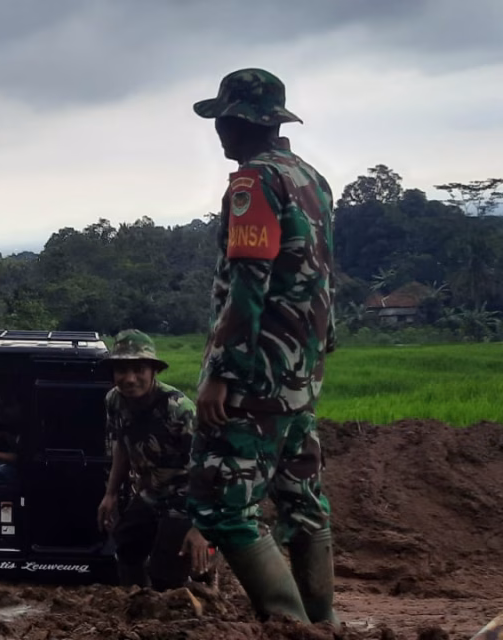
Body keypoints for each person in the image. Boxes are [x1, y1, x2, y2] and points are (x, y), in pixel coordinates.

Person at [186, 68, 340, 625]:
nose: (219, 134)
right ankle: (326, 623)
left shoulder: (252, 183)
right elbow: (321, 274)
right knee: (302, 502)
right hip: (301, 370)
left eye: (223, 121)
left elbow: (251, 281)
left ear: (242, 121)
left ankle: (294, 629)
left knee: (224, 510)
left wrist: (223, 371)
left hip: (258, 372)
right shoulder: (310, 178)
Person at [97, 329, 211, 591]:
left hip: (187, 497)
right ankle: (139, 605)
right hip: (151, 492)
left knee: (166, 574)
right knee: (125, 547)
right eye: (121, 370)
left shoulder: (178, 409)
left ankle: (184, 603)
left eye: (138, 370)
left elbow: (208, 468)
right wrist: (110, 493)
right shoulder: (114, 401)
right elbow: (122, 447)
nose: (129, 379)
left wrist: (202, 527)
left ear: (153, 371)